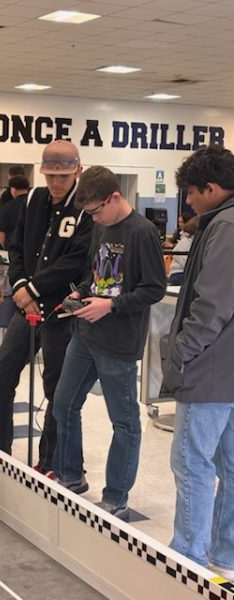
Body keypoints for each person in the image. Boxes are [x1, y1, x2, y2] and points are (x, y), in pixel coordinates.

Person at [52, 165, 166, 519]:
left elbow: (153, 289)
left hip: (118, 341)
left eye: (97, 210)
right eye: (89, 213)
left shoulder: (142, 233)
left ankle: (116, 495)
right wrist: (81, 295)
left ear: (115, 197)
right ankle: (71, 475)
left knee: (124, 421)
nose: (95, 218)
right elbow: (95, 275)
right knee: (63, 403)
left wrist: (111, 305)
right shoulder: (100, 227)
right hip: (85, 335)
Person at [0, 140, 93, 473]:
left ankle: (51, 460)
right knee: (1, 377)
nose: (57, 183)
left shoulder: (86, 207)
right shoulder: (32, 199)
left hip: (61, 311)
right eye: (50, 176)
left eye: (63, 176)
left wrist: (34, 288)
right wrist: (21, 286)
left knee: (56, 389)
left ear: (78, 170)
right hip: (25, 305)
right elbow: (17, 248)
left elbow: (78, 260)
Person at [161, 145, 234, 578]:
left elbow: (212, 306)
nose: (187, 201)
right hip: (226, 372)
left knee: (192, 464)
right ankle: (223, 556)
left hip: (210, 370)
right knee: (228, 465)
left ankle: (186, 560)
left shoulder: (225, 226)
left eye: (190, 192)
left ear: (211, 188)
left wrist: (180, 352)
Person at [0, 175, 30, 249]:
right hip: (32, 247)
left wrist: (6, 245)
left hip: (14, 247)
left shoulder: (8, 206)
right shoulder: (35, 204)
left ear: (13, 189)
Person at [167, 215, 199, 286]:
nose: (180, 224)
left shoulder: (191, 241)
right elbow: (186, 264)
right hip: (179, 274)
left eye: (181, 222)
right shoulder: (185, 242)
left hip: (183, 274)